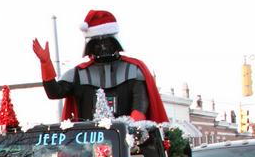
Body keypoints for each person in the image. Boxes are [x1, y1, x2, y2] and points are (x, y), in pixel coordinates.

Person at [33, 9, 168, 122]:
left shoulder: (133, 70)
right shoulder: (78, 74)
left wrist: (131, 127)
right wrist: (46, 64)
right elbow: (54, 92)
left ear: (114, 41)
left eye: (107, 42)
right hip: (86, 145)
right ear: (90, 45)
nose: (103, 47)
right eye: (97, 44)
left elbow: (140, 104)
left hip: (130, 143)